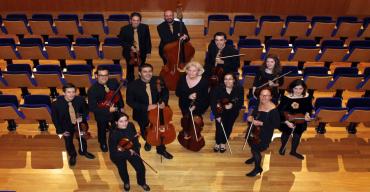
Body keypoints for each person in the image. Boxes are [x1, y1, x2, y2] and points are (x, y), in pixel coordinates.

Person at [126, 63, 173, 159]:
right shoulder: (132, 85)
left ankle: (161, 149)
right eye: (145, 72)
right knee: (144, 129)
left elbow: (165, 92)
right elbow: (130, 101)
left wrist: (164, 101)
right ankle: (148, 141)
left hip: (158, 112)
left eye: (150, 71)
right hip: (142, 112)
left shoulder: (158, 80)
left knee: (160, 130)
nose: (148, 74)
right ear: (139, 73)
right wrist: (146, 107)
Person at [52, 83, 95, 166]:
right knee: (68, 142)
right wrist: (60, 131)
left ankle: (83, 151)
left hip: (79, 125)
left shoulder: (80, 100)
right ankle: (72, 155)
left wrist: (82, 118)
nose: (71, 94)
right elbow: (55, 119)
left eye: (73, 92)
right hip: (65, 126)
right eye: (68, 92)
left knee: (82, 138)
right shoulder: (56, 104)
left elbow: (86, 110)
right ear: (64, 93)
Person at [109, 113, 150, 191]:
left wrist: (136, 147)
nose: (124, 123)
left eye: (126, 120)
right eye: (121, 121)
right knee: (122, 169)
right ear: (116, 122)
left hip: (132, 150)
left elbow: (134, 139)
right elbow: (114, 152)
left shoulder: (130, 125)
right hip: (119, 155)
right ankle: (126, 182)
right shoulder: (114, 134)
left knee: (141, 168)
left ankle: (141, 183)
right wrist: (128, 152)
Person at [87, 66, 124, 152]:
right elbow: (92, 108)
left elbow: (118, 95)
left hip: (114, 109)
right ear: (96, 76)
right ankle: (102, 142)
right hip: (101, 112)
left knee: (117, 125)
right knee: (102, 128)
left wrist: (121, 107)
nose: (104, 77)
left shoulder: (114, 82)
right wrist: (107, 110)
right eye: (101, 75)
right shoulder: (92, 90)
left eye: (106, 75)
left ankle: (117, 139)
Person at [245, 87, 280, 177]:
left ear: (271, 97)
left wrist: (261, 123)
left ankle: (257, 168)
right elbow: (254, 113)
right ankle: (254, 158)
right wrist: (251, 117)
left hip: (264, 133)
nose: (264, 97)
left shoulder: (273, 110)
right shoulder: (259, 102)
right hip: (254, 130)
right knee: (252, 145)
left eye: (266, 95)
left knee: (255, 149)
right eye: (262, 95)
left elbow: (276, 125)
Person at [176, 61, 209, 151]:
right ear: (186, 70)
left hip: (198, 106)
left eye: (194, 71)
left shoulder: (204, 81)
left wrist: (196, 106)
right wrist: (188, 96)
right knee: (186, 121)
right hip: (184, 105)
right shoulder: (182, 78)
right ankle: (186, 134)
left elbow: (205, 98)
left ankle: (194, 137)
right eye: (189, 70)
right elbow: (177, 92)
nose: (191, 73)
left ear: (198, 71)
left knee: (196, 123)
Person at [278, 79, 313, 160]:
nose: (298, 91)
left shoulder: (307, 97)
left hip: (300, 120)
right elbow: (280, 111)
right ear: (292, 88)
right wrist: (286, 122)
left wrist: (307, 114)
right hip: (288, 119)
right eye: (295, 88)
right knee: (286, 135)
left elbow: (309, 108)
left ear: (304, 89)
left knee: (297, 136)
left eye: (300, 89)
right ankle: (283, 147)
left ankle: (293, 151)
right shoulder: (286, 97)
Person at [210, 73, 244, 153]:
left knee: (228, 127)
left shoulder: (239, 88)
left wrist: (232, 105)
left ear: (234, 80)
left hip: (233, 112)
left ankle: (223, 142)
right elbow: (213, 103)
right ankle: (218, 142)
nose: (227, 81)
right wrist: (217, 115)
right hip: (220, 111)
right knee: (219, 127)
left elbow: (240, 102)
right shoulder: (217, 89)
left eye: (230, 79)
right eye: (225, 79)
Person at [118, 12, 152, 83]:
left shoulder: (145, 27)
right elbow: (121, 41)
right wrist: (130, 47)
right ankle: (130, 82)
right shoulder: (124, 29)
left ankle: (142, 80)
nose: (136, 22)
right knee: (130, 68)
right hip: (129, 53)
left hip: (142, 52)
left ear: (140, 21)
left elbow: (147, 40)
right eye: (134, 20)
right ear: (130, 20)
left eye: (137, 20)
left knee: (142, 66)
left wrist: (148, 51)